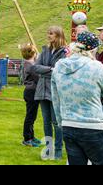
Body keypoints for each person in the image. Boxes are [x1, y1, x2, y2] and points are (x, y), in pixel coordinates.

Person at [52, 32, 103, 165]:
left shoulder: (58, 67)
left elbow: (55, 99)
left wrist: (60, 122)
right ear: (93, 49)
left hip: (68, 124)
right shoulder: (95, 66)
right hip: (93, 124)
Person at [32, 26, 67, 160]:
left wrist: (47, 70)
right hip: (42, 89)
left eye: (51, 33)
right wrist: (51, 69)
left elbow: (60, 69)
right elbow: (36, 67)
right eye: (48, 33)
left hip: (55, 90)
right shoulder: (45, 49)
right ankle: (48, 149)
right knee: (46, 122)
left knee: (56, 122)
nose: (48, 35)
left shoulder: (64, 51)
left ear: (58, 36)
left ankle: (58, 149)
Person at [20, 43, 41, 147]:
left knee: (32, 116)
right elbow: (38, 77)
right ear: (32, 52)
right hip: (31, 92)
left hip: (31, 92)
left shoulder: (30, 63)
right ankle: (27, 138)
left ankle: (31, 136)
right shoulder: (30, 66)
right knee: (30, 116)